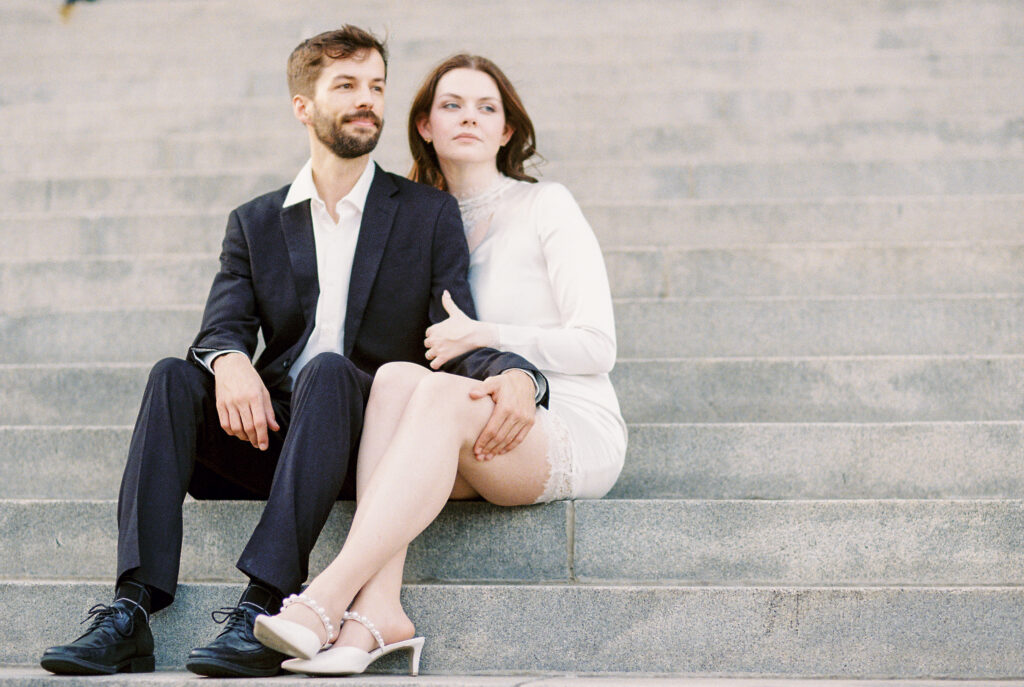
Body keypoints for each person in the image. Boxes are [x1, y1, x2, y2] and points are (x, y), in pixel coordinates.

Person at [39, 29, 547, 678]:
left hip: (370, 446)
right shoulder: (255, 221)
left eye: (376, 87)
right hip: (275, 437)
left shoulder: (425, 214)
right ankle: (131, 608)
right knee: (173, 375)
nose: (367, 102)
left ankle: (268, 598)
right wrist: (229, 362)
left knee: (332, 370)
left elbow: (454, 330)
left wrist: (516, 375)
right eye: (346, 87)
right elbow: (221, 325)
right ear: (303, 107)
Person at [252, 54, 627, 676]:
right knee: (399, 379)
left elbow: (597, 345)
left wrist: (492, 339)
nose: (470, 119)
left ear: (506, 131)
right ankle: (380, 615)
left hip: (565, 419)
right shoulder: (417, 218)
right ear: (424, 125)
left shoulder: (547, 206)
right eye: (452, 105)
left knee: (431, 393)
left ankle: (326, 597)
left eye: (487, 108)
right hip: (465, 417)